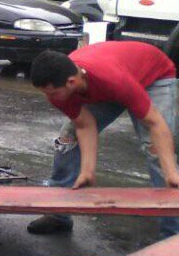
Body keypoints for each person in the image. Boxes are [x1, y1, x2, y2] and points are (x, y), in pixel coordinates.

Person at [28, 43, 179, 238]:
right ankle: (59, 214)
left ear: (71, 82)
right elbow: (85, 125)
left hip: (153, 76)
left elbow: (155, 123)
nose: (49, 98)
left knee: (155, 149)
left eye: (52, 93)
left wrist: (171, 172)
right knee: (68, 138)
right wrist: (87, 171)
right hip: (112, 80)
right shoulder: (61, 90)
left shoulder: (114, 80)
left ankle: (173, 235)